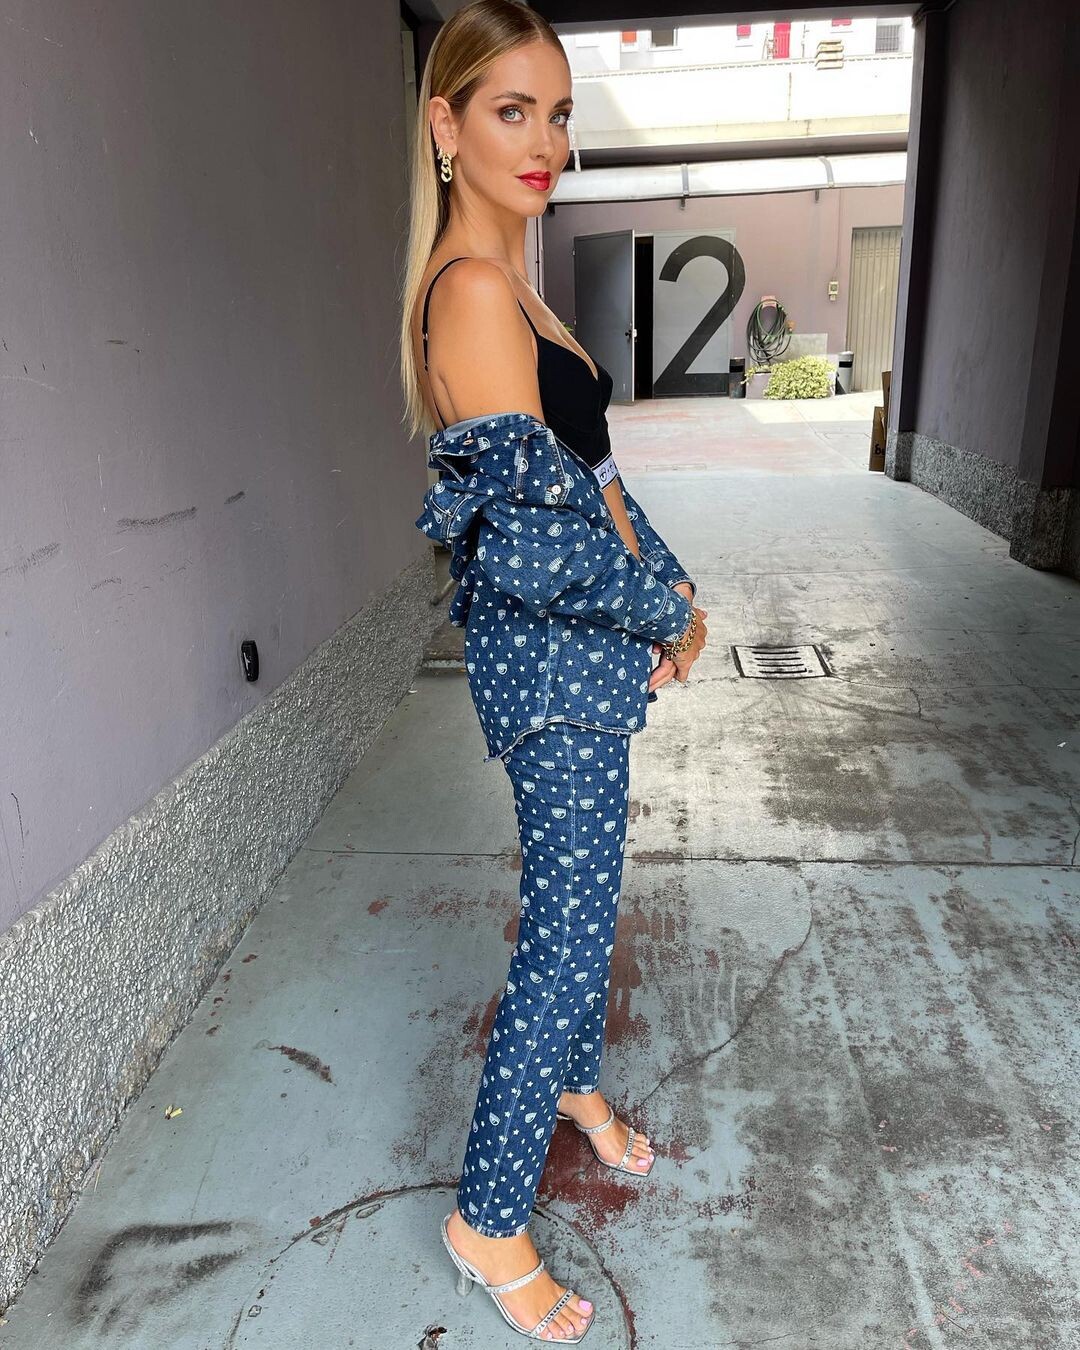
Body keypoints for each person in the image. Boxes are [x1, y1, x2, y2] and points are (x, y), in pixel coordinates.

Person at [398, 1, 707, 1341]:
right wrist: (658, 616)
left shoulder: (515, 284)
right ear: (446, 125)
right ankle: (487, 1217)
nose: (545, 142)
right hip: (550, 667)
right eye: (511, 110)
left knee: (590, 896)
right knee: (569, 928)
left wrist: (673, 587)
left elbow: (597, 483)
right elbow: (537, 547)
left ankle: (573, 1084)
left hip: (590, 656)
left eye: (560, 112)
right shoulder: (470, 296)